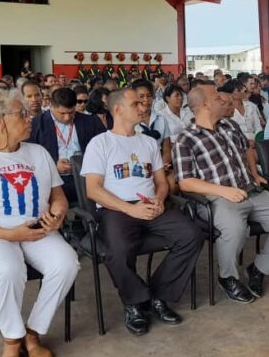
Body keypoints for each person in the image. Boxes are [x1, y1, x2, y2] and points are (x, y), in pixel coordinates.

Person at [0, 89, 79, 357]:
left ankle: (33, 333)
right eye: (22, 114)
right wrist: (9, 234)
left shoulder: (38, 153)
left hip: (35, 229)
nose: (30, 118)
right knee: (8, 269)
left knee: (67, 263)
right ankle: (12, 342)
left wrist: (57, 215)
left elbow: (58, 197)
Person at [82, 88, 203, 336]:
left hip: (151, 205)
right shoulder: (100, 143)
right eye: (136, 103)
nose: (143, 106)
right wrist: (130, 209)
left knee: (192, 234)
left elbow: (160, 181)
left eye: (142, 102)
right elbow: (93, 190)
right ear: (117, 109)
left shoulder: (148, 141)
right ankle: (135, 302)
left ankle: (159, 295)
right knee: (117, 250)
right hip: (117, 208)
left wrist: (159, 199)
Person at [173, 82, 269, 303]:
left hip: (251, 190)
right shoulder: (186, 139)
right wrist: (223, 191)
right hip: (218, 196)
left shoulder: (230, 126)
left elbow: (247, 149)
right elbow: (185, 182)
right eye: (217, 98)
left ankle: (258, 269)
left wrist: (254, 172)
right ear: (204, 105)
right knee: (234, 228)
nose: (223, 100)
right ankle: (228, 277)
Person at [29, 88, 105, 203]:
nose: (67, 117)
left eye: (71, 112)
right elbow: (29, 155)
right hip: (51, 179)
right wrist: (53, 165)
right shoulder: (36, 124)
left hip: (85, 176)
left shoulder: (91, 122)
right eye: (62, 113)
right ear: (51, 106)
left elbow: (103, 150)